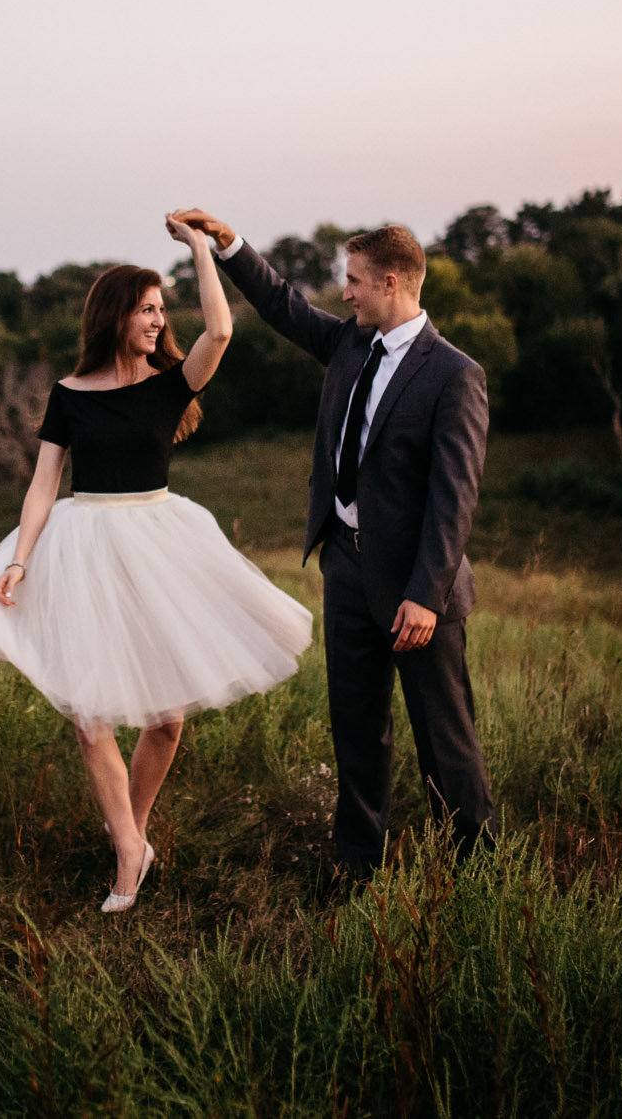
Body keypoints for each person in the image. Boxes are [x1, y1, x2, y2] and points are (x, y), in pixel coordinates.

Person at [0, 213, 312, 912]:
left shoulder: (170, 384)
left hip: (159, 544)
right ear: (116, 314)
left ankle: (135, 825)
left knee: (166, 719)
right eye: (148, 309)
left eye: (162, 308)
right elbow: (44, 484)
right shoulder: (69, 394)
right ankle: (127, 851)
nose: (159, 320)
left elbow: (220, 331)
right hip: (82, 546)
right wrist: (21, 559)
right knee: (89, 712)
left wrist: (199, 251)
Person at [174, 210, 496, 884]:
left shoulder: (455, 375)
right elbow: (282, 304)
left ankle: (476, 874)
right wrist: (227, 244)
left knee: (445, 741)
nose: (343, 293)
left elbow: (453, 499)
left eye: (352, 281)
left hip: (417, 587)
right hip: (345, 565)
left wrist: (424, 595)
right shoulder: (351, 344)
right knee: (356, 731)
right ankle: (359, 868)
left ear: (390, 281)